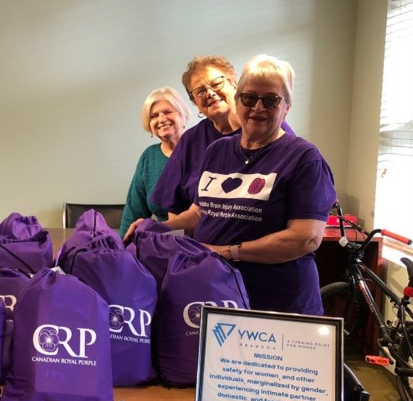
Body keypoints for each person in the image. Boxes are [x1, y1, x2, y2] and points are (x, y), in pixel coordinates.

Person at [163, 55, 336, 315]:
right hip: (218, 295)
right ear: (238, 100)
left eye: (271, 100)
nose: (258, 107)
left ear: (286, 107)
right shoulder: (216, 151)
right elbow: (200, 212)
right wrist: (156, 227)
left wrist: (227, 252)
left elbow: (306, 238)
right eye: (249, 98)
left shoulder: (304, 158)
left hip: (278, 304)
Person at [128, 55, 294, 240]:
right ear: (194, 102)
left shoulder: (273, 130)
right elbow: (178, 210)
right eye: (200, 91)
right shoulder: (191, 142)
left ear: (235, 85)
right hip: (204, 254)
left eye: (216, 83)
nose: (210, 93)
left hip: (262, 252)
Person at [118, 87, 191, 237]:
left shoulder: (202, 149)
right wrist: (121, 250)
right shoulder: (149, 157)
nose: (161, 119)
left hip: (206, 245)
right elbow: (134, 211)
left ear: (182, 114)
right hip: (165, 245)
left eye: (168, 112)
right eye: (154, 116)